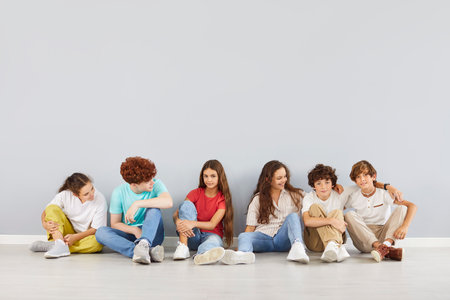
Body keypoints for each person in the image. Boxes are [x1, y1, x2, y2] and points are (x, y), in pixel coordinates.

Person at [302, 164, 402, 263]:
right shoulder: (309, 197)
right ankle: (334, 246)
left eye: (327, 182)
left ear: (333, 184)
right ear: (313, 185)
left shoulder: (341, 193)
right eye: (319, 183)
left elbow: (367, 184)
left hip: (338, 237)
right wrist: (331, 221)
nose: (323, 187)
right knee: (316, 208)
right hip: (315, 242)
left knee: (337, 212)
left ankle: (332, 246)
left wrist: (388, 187)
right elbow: (307, 221)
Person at [222, 160, 309, 265]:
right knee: (243, 236)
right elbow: (250, 228)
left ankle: (298, 249)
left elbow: (315, 198)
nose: (284, 180)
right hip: (264, 239)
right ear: (268, 179)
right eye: (279, 178)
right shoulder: (257, 199)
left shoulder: (296, 195)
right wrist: (243, 244)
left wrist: (334, 189)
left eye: (285, 176)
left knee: (293, 216)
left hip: (283, 240)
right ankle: (243, 255)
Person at [95, 156, 173, 265]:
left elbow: (168, 202)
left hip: (152, 235)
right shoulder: (119, 192)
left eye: (152, 178)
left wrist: (137, 204)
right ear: (134, 184)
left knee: (154, 209)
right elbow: (115, 223)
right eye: (147, 181)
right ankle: (144, 252)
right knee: (100, 232)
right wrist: (134, 230)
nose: (152, 182)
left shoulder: (156, 184)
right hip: (130, 234)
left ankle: (145, 244)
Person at [344, 160, 417, 262]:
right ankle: (384, 249)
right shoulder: (353, 196)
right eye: (358, 177)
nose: (362, 179)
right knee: (349, 214)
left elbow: (412, 206)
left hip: (383, 235)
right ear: (355, 181)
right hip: (363, 241)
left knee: (402, 208)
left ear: (373, 176)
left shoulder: (384, 194)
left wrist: (405, 226)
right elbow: (337, 209)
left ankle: (385, 247)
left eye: (365, 175)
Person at [30, 173, 107, 259]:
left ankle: (56, 246)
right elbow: (47, 210)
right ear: (75, 194)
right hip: (65, 233)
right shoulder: (65, 195)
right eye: (86, 194)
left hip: (85, 236)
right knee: (52, 208)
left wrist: (75, 237)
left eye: (92, 188)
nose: (92, 194)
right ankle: (59, 243)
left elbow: (96, 229)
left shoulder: (100, 199)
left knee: (97, 244)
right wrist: (44, 224)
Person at [172, 160, 234, 265]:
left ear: (220, 177)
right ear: (202, 177)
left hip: (212, 235)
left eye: (213, 176)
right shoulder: (195, 193)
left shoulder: (222, 199)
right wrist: (178, 222)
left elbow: (212, 224)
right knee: (186, 205)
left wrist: (193, 223)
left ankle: (201, 255)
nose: (209, 180)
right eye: (206, 176)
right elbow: (176, 214)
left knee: (213, 242)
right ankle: (183, 247)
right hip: (192, 234)